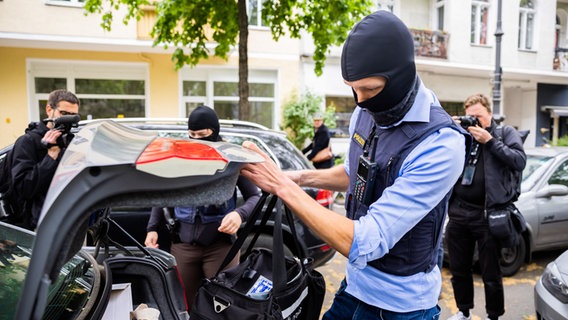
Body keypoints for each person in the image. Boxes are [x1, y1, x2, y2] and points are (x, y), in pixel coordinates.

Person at [241, 11, 470, 320]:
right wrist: (295, 177)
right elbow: (354, 174)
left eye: (370, 90)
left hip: (400, 307)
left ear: (400, 76)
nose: (360, 101)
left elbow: (365, 241)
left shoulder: (441, 143)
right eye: (353, 89)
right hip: (354, 287)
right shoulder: (369, 113)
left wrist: (280, 187)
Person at [144, 105, 261, 311]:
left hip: (221, 247)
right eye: (192, 135)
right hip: (183, 247)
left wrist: (239, 214)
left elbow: (255, 196)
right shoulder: (177, 158)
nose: (197, 139)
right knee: (183, 305)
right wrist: (152, 228)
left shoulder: (231, 159)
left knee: (223, 306)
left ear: (214, 133)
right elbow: (163, 194)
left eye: (203, 134)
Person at [445, 94, 526, 320]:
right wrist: (450, 126)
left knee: (491, 273)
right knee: (459, 269)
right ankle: (463, 312)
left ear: (489, 114)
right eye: (470, 117)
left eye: (478, 116)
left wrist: (489, 140)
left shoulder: (504, 133)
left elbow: (519, 160)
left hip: (487, 215)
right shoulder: (464, 136)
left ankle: (493, 316)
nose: (474, 122)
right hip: (459, 213)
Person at [11, 89, 80, 230]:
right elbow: (23, 189)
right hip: (34, 227)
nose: (67, 120)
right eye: (64, 114)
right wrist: (51, 156)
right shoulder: (28, 142)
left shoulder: (69, 142)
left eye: (73, 116)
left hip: (64, 221)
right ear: (49, 110)